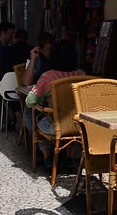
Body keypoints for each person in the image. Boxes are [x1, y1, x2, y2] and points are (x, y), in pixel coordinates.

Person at [24, 40, 85, 170]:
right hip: (79, 126)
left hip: (55, 126)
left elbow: (30, 101)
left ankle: (47, 156)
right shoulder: (82, 75)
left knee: (30, 112)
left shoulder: (49, 76)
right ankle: (69, 156)